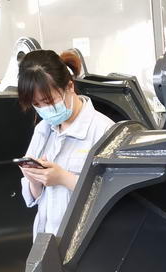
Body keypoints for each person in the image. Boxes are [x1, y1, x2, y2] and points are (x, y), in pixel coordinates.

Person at [16, 49, 114, 237]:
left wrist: (63, 178)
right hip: (46, 240)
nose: (44, 109)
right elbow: (33, 198)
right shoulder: (43, 130)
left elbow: (111, 194)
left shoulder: (103, 130)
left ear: (70, 87)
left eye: (48, 101)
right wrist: (34, 180)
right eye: (37, 104)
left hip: (84, 243)